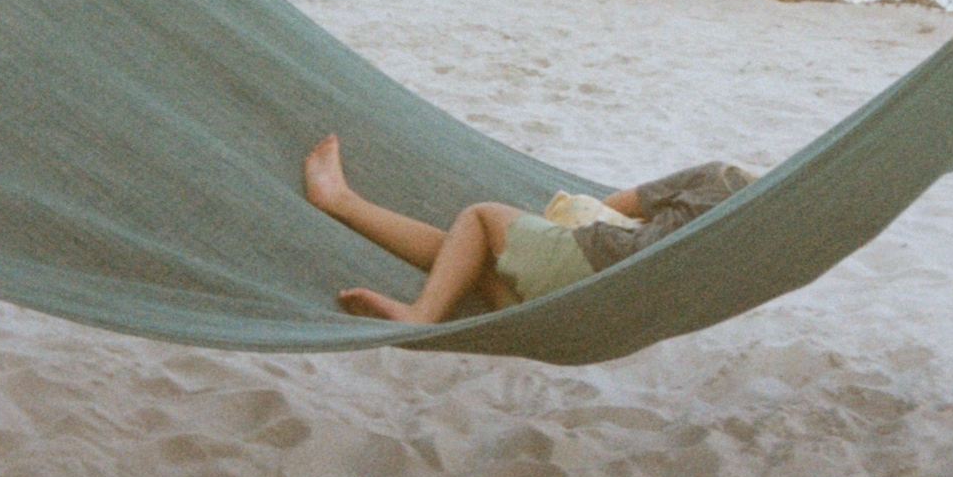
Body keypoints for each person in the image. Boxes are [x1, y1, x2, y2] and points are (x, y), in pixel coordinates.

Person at [303, 135, 754, 324]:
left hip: (602, 264)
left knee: (481, 217)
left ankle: (421, 313)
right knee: (467, 257)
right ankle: (342, 202)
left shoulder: (720, 176)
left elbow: (612, 205)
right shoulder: (757, 227)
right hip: (621, 309)